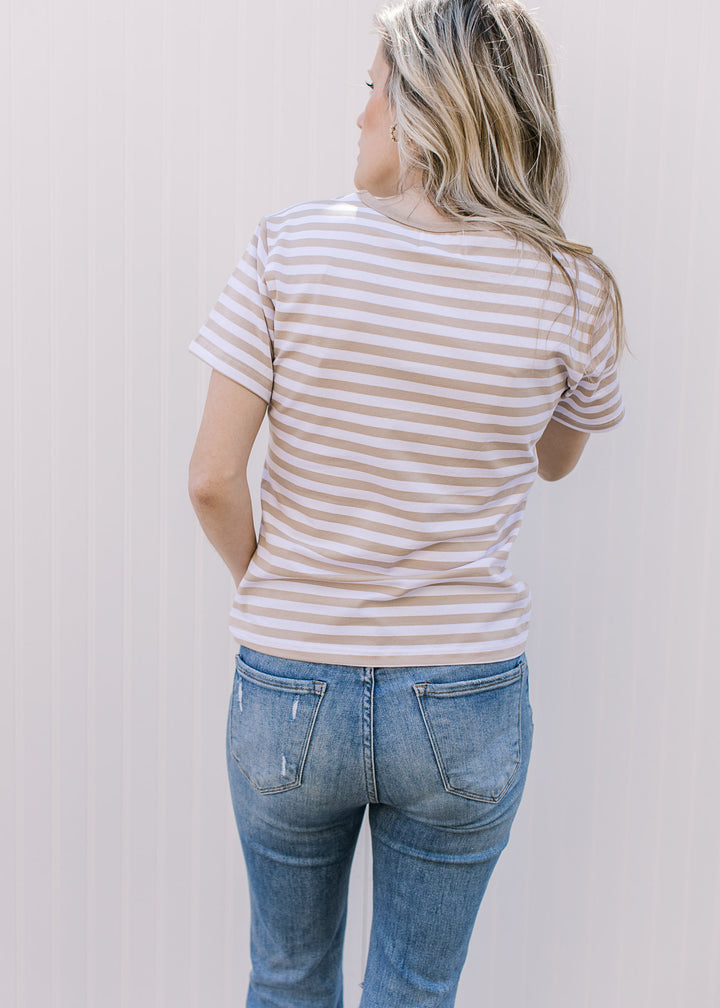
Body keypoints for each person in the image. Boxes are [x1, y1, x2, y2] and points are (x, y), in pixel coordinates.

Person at [187, 1, 628, 1005]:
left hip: (289, 684)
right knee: (417, 990)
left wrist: (277, 589)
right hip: (467, 697)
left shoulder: (286, 251)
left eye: (375, 89)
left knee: (287, 975)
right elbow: (556, 460)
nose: (361, 116)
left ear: (433, 107)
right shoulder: (574, 290)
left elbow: (212, 478)